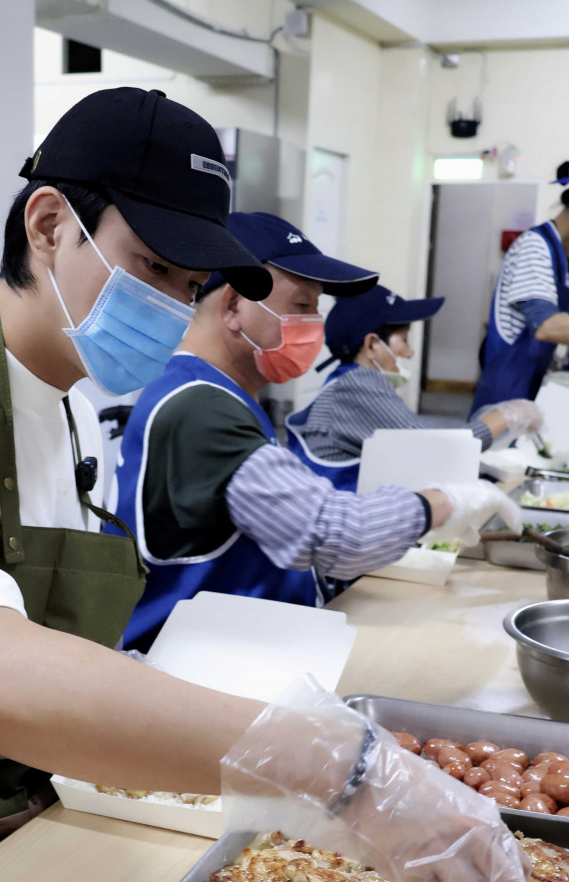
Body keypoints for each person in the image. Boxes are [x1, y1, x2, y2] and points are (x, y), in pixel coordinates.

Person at [0, 91, 529, 882]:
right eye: (150, 267)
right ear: (48, 225)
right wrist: (341, 766)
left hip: (22, 822)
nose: (171, 306)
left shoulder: (76, 408)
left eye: (187, 284)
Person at [110, 212, 522, 652]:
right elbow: (333, 534)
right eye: (301, 306)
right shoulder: (201, 408)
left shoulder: (207, 392)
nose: (313, 327)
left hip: (238, 648)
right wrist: (445, 501)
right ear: (233, 306)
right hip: (200, 669)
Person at [288, 285, 545, 491]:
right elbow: (438, 450)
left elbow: (417, 437)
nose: (409, 353)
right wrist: (509, 416)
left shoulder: (344, 382)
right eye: (404, 341)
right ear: (371, 345)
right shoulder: (357, 384)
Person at [471, 160, 569, 414]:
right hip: (507, 390)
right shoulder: (534, 247)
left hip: (531, 387)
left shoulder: (562, 256)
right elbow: (548, 326)